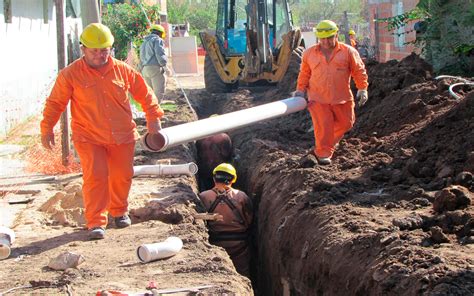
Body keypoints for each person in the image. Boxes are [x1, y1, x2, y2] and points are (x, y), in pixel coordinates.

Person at [40, 23, 164, 240]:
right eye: (94, 51)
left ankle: (119, 211)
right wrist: (47, 127)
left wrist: (153, 119)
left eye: (104, 50)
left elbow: (145, 94)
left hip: (122, 135)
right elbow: (55, 103)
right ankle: (96, 221)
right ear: (83, 49)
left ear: (110, 49)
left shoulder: (123, 71)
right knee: (96, 176)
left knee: (122, 175)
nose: (100, 55)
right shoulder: (70, 74)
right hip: (88, 136)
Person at [293, 20, 368, 165]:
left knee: (347, 123)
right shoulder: (309, 53)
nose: (326, 42)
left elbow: (359, 71)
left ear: (336, 35)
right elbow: (304, 74)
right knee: (323, 126)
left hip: (342, 97)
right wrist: (300, 90)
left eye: (329, 37)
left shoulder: (348, 52)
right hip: (318, 99)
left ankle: (327, 144)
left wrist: (362, 88)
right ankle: (323, 154)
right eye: (322, 38)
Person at [198, 163, 253, 276]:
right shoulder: (241, 196)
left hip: (215, 244)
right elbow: (249, 219)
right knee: (242, 274)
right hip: (239, 245)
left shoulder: (203, 196)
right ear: (233, 179)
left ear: (214, 178)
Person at [196, 115, 234, 191]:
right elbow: (226, 154)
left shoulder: (201, 137)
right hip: (222, 171)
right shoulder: (224, 137)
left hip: (205, 170)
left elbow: (199, 153)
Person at [140, 24, 168, 103]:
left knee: (149, 93)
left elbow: (141, 57)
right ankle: (156, 112)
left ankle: (149, 112)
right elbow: (160, 54)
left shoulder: (144, 42)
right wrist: (164, 65)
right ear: (160, 33)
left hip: (145, 70)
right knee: (158, 93)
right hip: (155, 68)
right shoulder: (157, 40)